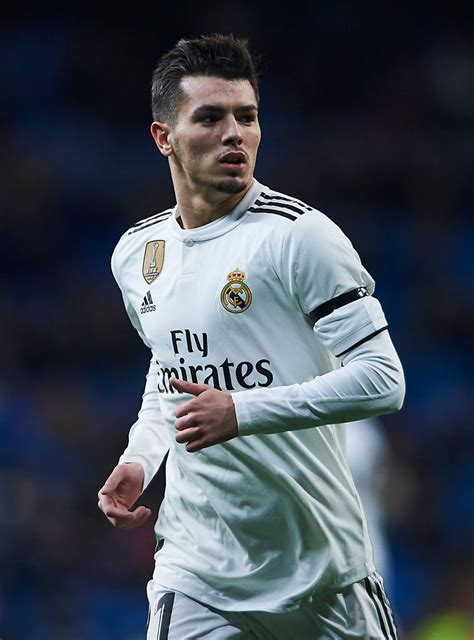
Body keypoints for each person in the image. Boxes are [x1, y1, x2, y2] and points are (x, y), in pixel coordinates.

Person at [98, 34, 405, 639]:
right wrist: (142, 456)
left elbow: (383, 380)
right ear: (165, 138)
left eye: (247, 116)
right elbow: (171, 373)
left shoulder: (300, 238)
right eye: (210, 118)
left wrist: (241, 410)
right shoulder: (138, 253)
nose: (234, 133)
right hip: (197, 576)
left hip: (325, 578)